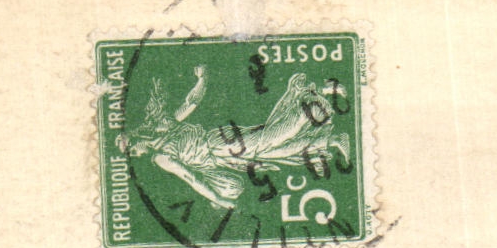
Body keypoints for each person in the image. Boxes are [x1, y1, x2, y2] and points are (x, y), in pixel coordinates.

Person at [119, 67, 350, 210]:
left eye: (131, 148)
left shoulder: (161, 154)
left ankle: (320, 93)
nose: (135, 154)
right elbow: (191, 105)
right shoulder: (162, 137)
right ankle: (333, 140)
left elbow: (191, 178)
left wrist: (202, 79)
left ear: (136, 138)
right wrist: (203, 79)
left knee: (274, 137)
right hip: (223, 153)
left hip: (221, 145)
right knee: (277, 151)